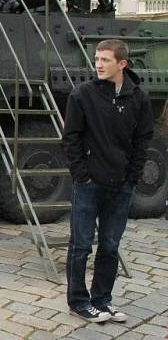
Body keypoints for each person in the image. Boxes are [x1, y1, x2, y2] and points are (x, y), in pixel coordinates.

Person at [63, 39, 153, 324]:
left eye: (105, 60)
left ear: (122, 64)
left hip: (121, 186)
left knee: (111, 246)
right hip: (89, 185)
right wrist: (82, 175)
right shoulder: (82, 95)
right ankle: (79, 302)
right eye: (97, 59)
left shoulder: (139, 98)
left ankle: (102, 300)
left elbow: (142, 141)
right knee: (81, 245)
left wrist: (131, 178)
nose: (98, 64)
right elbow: (70, 140)